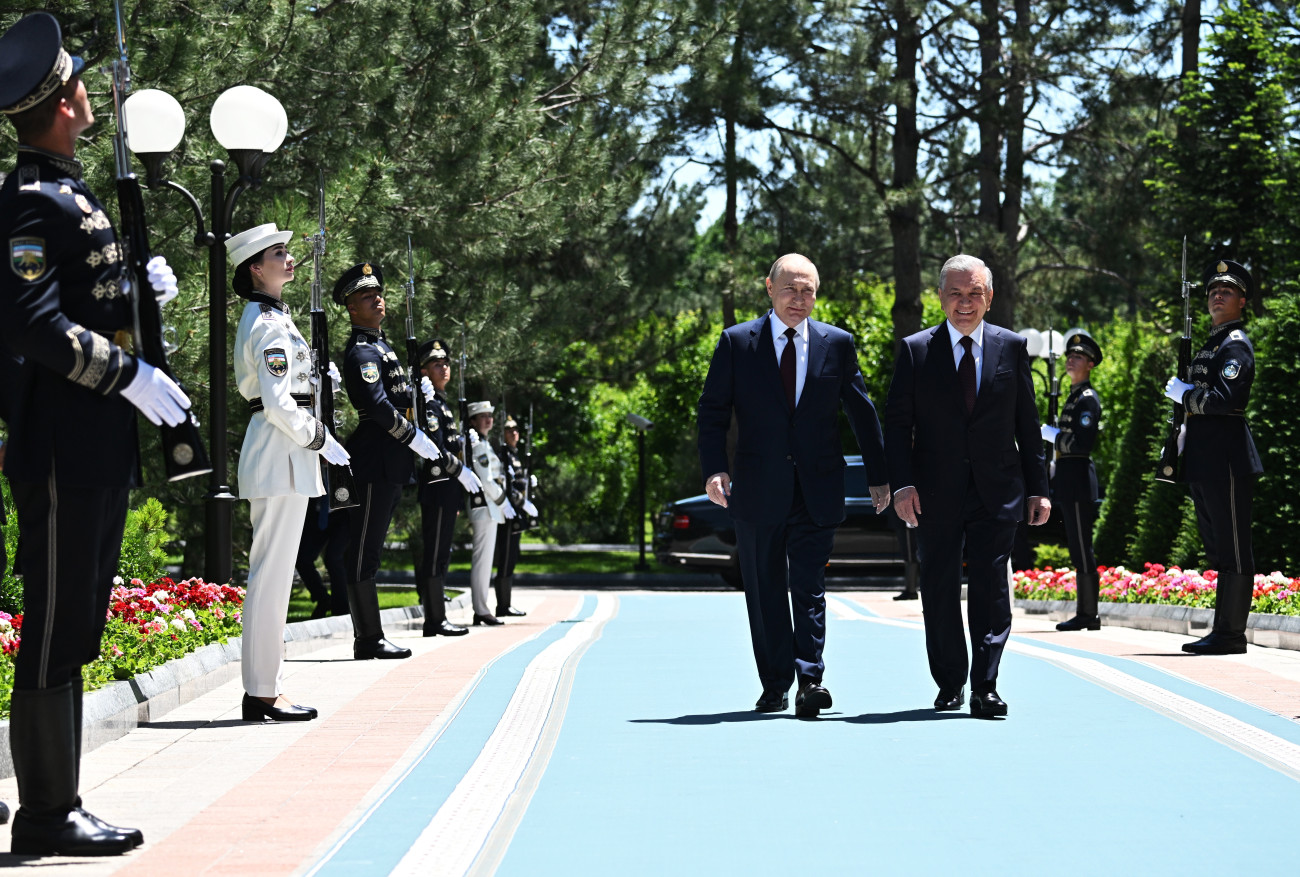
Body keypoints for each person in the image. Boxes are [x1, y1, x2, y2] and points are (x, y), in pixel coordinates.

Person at [0, 13, 193, 855]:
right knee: (51, 622)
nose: (90, 97)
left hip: (95, 445)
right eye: (81, 86)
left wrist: (150, 301)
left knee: (76, 620)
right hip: (58, 447)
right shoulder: (30, 204)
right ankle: (46, 812)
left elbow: (96, 307)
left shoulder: (71, 193)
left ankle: (60, 801)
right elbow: (39, 327)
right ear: (63, 103)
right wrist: (130, 376)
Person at [697, 254, 891, 719]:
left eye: (808, 291)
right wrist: (714, 469)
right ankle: (775, 683)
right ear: (769, 288)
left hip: (816, 488)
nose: (800, 299)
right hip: (758, 489)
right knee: (764, 590)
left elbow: (861, 412)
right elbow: (713, 412)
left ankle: (811, 680)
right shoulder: (737, 342)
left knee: (809, 586)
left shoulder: (837, 344)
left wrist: (881, 475)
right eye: (790, 289)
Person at [885, 254, 1050, 718]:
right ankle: (950, 680)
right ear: (940, 297)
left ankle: (986, 685)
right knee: (937, 587)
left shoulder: (1011, 347)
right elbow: (896, 427)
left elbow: (1028, 424)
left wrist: (1039, 488)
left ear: (989, 297)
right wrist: (902, 486)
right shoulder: (916, 350)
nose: (964, 303)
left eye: (973, 293)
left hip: (997, 490)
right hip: (933, 493)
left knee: (991, 587)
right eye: (955, 293)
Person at [227, 223, 349, 721]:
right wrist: (319, 437)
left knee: (275, 578)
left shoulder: (277, 318)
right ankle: (260, 691)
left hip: (285, 456)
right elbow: (278, 403)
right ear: (256, 268)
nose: (289, 258)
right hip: (280, 453)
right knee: (270, 578)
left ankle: (266, 687)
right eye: (279, 253)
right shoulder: (268, 323)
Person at [337, 262, 467, 658]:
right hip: (374, 458)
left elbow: (399, 400)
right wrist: (414, 438)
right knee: (364, 549)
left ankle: (371, 637)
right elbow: (377, 407)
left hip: (391, 461)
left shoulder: (383, 347)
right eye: (366, 296)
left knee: (370, 547)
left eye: (378, 293)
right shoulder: (362, 350)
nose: (377, 299)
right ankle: (368, 638)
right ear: (351, 308)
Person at [1164, 259, 1262, 655]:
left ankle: (1231, 634)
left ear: (1242, 301)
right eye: (1212, 292)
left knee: (1235, 546)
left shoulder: (1235, 344)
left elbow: (1225, 400)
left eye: (1226, 291)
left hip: (1228, 459)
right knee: (1220, 546)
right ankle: (1222, 629)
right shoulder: (1212, 343)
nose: (1216, 296)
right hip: (1207, 458)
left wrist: (1185, 396)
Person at [414, 338, 480, 636]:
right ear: (424, 371)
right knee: (435, 552)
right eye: (436, 364)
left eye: (446, 363)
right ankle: (434, 619)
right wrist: (460, 470)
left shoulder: (442, 403)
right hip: (439, 485)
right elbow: (435, 449)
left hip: (449, 489)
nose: (444, 368)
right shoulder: (429, 403)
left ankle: (437, 616)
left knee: (442, 553)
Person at [1041, 333, 1104, 631]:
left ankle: (1089, 613)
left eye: (1078, 357)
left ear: (1090, 364)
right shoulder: (1074, 396)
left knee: (1082, 547)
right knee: (1077, 548)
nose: (1071, 360)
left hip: (1078, 479)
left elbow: (1082, 444)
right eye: (1070, 355)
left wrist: (1056, 438)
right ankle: (1086, 613)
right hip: (1068, 479)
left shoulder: (1088, 400)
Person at [466, 402, 517, 626]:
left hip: (489, 508)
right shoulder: (478, 445)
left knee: (485, 561)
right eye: (482, 416)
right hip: (486, 507)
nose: (487, 420)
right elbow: (487, 480)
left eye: (489, 416)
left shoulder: (484, 443)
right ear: (473, 421)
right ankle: (481, 609)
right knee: (482, 561)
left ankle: (482, 608)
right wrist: (504, 501)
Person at [492, 414, 539, 617]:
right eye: (509, 430)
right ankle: (502, 605)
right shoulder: (503, 455)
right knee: (506, 556)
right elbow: (506, 485)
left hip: (517, 512)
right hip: (509, 511)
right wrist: (523, 503)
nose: (514, 433)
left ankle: (506, 603)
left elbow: (518, 483)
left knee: (512, 556)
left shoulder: (514, 454)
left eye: (516, 430)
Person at [295, 496, 350, 618]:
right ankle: (323, 599)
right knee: (302, 559)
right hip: (317, 513)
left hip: (344, 513)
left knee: (333, 558)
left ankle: (341, 611)